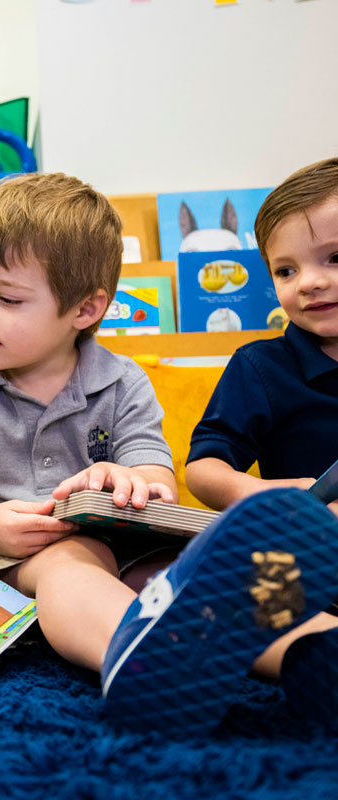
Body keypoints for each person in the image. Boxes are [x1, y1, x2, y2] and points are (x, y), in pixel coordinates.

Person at [0, 172, 338, 733]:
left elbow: (155, 474)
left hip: (126, 544)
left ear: (85, 310)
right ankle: (146, 658)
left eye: (7, 299)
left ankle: (310, 650)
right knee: (70, 567)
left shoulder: (122, 380)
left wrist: (130, 478)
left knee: (200, 580)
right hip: (7, 557)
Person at [183, 156, 338, 726]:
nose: (311, 282)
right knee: (244, 584)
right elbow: (203, 466)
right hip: (298, 551)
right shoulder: (259, 366)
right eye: (286, 270)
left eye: (334, 259)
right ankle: (307, 654)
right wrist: (263, 493)